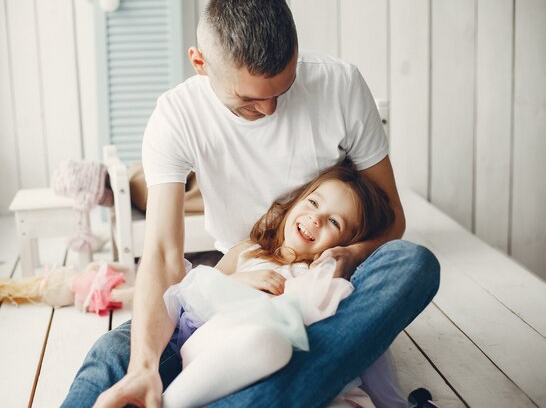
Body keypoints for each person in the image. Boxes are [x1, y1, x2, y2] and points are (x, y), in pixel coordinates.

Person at [61, 0, 440, 407]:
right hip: (228, 304)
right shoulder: (176, 117)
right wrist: (144, 367)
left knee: (413, 263)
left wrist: (349, 256)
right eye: (249, 99)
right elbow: (165, 256)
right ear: (200, 63)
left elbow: (392, 218)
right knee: (113, 355)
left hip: (316, 310)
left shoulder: (341, 85)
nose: (272, 108)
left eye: (285, 86)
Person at [161, 160, 398, 408]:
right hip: (217, 349)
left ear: (347, 243)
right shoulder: (249, 252)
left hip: (276, 377)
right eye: (313, 203)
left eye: (334, 222)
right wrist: (238, 282)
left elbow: (356, 342)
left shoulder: (324, 278)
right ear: (296, 201)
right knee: (269, 341)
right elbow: (193, 294)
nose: (316, 219)